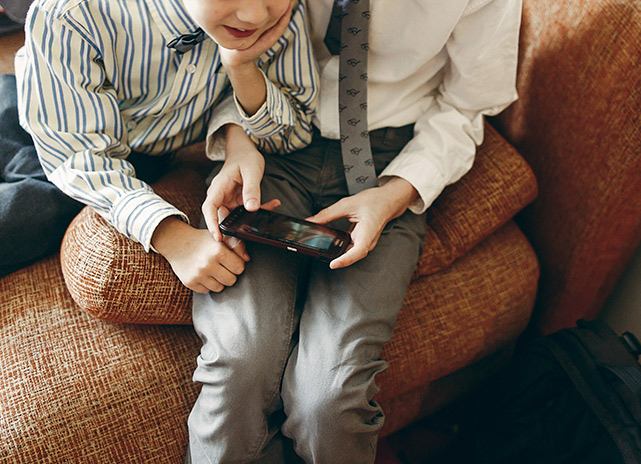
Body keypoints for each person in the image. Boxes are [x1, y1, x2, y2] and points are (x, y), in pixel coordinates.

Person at [0, 0, 318, 437]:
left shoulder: (281, 19)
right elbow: (78, 155)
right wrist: (169, 233)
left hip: (114, 162)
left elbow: (294, 129)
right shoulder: (74, 11)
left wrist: (241, 71)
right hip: (29, 128)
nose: (257, 16)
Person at [187, 0, 523, 462]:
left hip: (390, 162)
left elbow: (468, 107)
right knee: (237, 367)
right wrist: (236, 140)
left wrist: (394, 194)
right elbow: (215, 50)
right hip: (272, 143)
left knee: (330, 400)